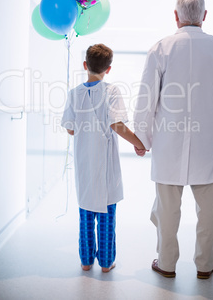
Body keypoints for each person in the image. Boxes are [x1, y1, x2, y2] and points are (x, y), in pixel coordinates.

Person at [133, 0, 213, 279]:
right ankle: (205, 266)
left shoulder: (160, 48)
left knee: (167, 210)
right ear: (204, 16)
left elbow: (146, 98)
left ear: (176, 16)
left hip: (169, 142)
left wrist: (142, 139)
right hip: (209, 144)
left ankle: (166, 264)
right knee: (208, 211)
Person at [61, 43, 145, 273]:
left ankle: (86, 261)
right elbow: (117, 125)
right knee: (107, 217)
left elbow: (70, 129)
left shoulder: (74, 94)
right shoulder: (112, 91)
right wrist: (141, 144)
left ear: (85, 65)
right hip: (105, 165)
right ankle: (106, 264)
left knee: (86, 214)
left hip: (84, 163)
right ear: (108, 69)